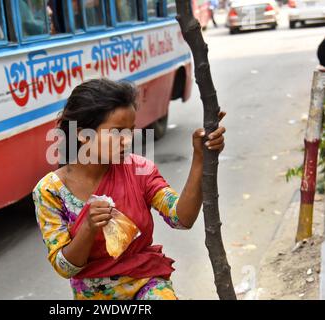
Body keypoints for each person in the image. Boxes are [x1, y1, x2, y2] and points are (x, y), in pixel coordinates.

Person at [32, 78, 226, 300]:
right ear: (83, 133)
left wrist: (200, 157)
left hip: (147, 282)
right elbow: (65, 268)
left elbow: (181, 218)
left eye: (130, 131)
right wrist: (88, 227)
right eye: (116, 132)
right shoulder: (50, 191)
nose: (126, 140)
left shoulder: (140, 170)